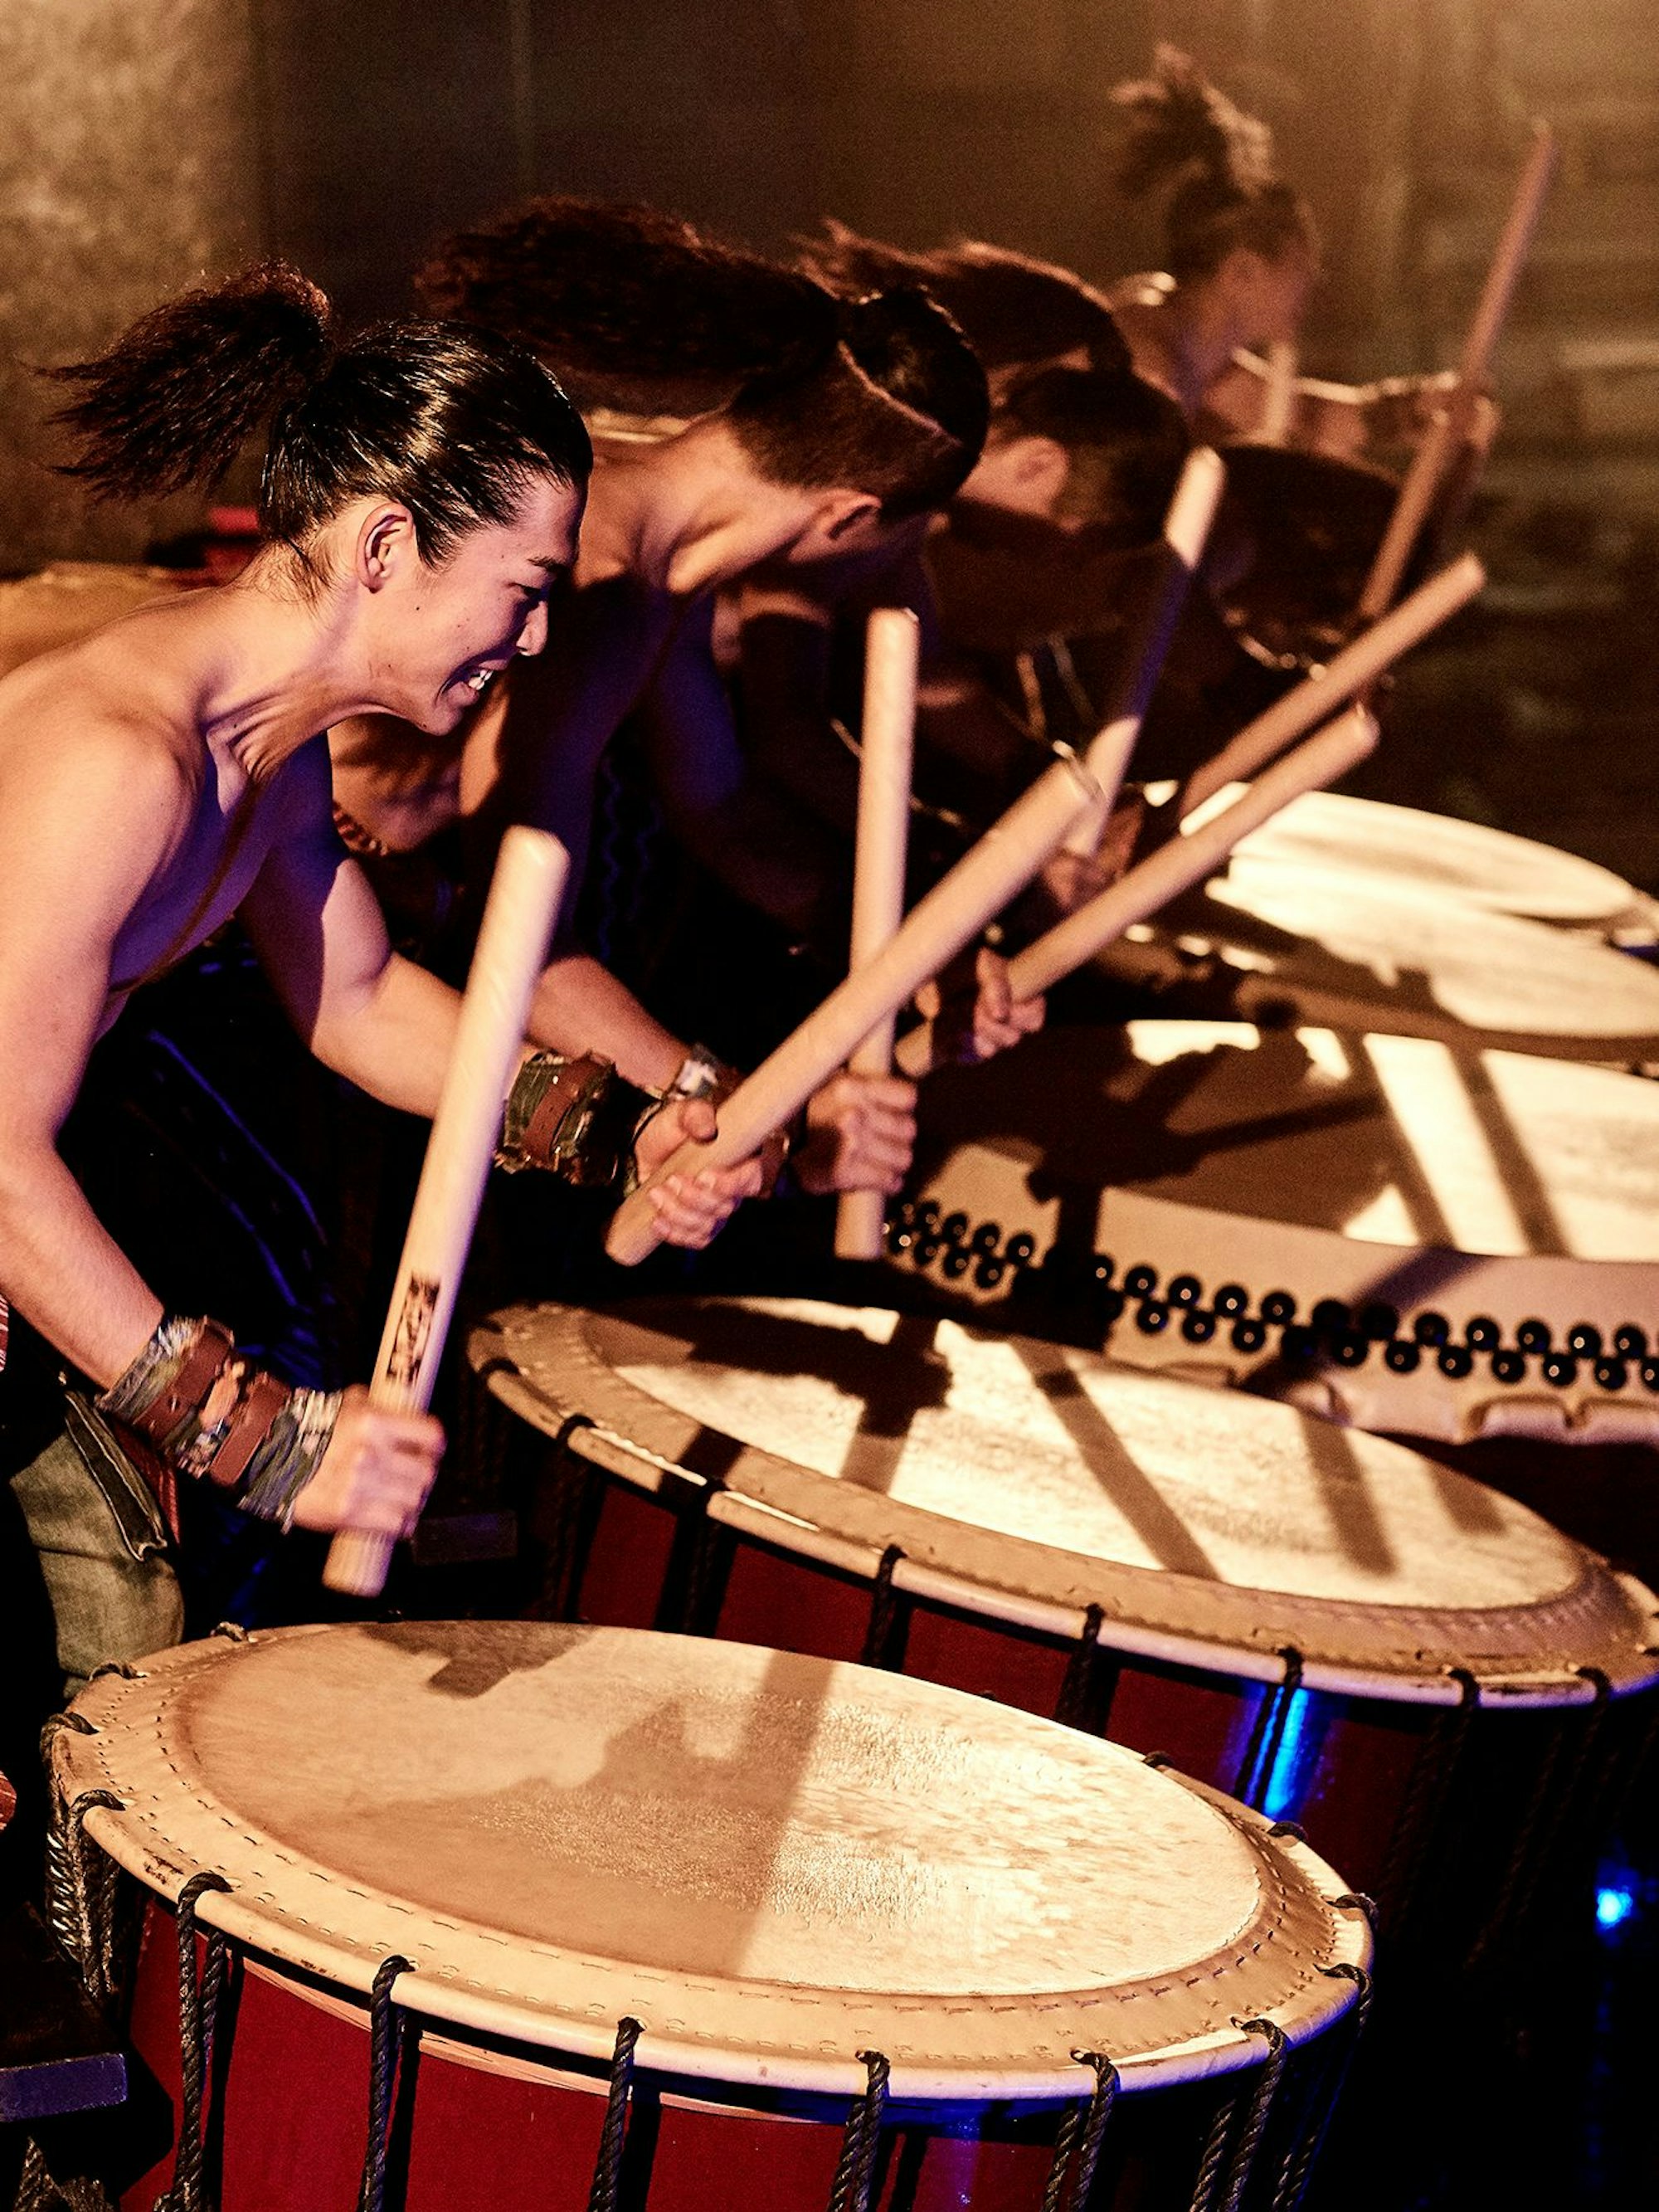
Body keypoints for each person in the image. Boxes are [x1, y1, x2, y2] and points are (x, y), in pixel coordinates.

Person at [0, 262, 775, 1694]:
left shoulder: (265, 754)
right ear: (383, 548)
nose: (538, 640)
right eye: (523, 590)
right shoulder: (123, 761)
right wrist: (267, 1439)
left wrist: (626, 1130)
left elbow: (354, 1001)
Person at [328, 202, 1039, 1194]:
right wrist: (730, 1107)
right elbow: (522, 943)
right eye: (901, 546)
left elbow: (723, 807)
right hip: (285, 926)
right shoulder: (601, 581)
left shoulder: (657, 547)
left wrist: (917, 952)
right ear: (852, 515)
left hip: (374, 921)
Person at [1105, 46, 1463, 464]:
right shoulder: (1140, 353)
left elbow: (1304, 416)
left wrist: (1424, 405)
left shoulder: (1197, 345)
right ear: (1242, 272)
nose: (1312, 283)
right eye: (1300, 267)